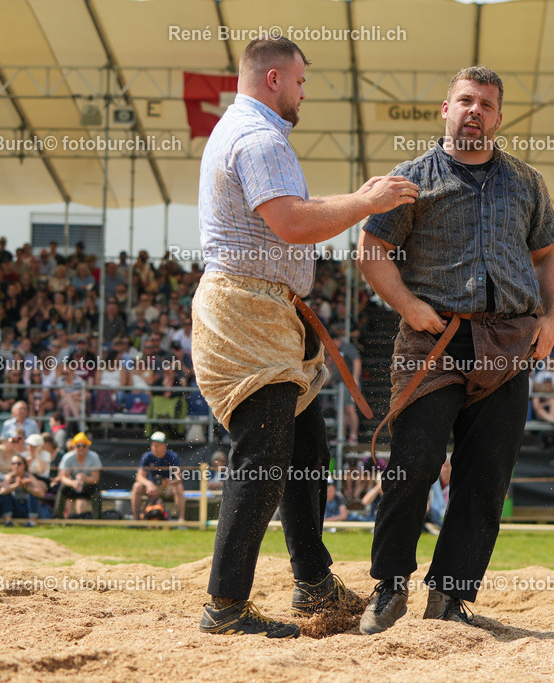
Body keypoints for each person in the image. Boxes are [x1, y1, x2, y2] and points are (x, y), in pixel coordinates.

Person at [192, 37, 415, 639]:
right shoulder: (261, 136)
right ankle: (226, 605)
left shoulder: (243, 129)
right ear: (272, 79)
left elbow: (294, 213)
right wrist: (367, 201)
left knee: (306, 451)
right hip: (247, 310)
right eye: (300, 82)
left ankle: (312, 579)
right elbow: (292, 222)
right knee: (262, 458)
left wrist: (352, 203)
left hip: (264, 310)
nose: (302, 93)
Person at [356, 65, 554, 634]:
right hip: (432, 336)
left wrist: (551, 319)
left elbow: (547, 257)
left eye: (487, 104)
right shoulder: (410, 178)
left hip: (509, 340)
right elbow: (372, 248)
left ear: (498, 117)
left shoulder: (526, 182)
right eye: (466, 100)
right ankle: (390, 585)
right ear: (445, 109)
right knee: (414, 462)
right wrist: (407, 308)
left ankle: (449, 597)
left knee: (486, 473)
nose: (476, 111)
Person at [131, 431, 185, 523]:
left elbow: (179, 478)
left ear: (164, 446)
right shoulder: (147, 456)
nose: (154, 448)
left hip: (168, 488)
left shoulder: (172, 456)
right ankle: (135, 519)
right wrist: (149, 484)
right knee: (137, 486)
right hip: (152, 488)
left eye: (157, 445)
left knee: (179, 488)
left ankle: (181, 520)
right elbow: (139, 476)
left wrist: (170, 482)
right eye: (153, 445)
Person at [54, 433, 102, 518]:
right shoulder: (68, 457)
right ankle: (58, 517)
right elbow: (63, 478)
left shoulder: (94, 457)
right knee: (62, 489)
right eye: (78, 445)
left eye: (84, 445)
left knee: (96, 490)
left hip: (87, 486)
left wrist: (85, 478)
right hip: (73, 486)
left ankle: (96, 518)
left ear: (88, 446)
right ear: (74, 446)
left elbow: (96, 479)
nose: (81, 448)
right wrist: (73, 483)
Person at [0, 454, 47, 526]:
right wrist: (17, 485)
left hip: (27, 508)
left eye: (19, 463)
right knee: (6, 494)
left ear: (24, 465)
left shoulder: (29, 476)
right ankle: (8, 521)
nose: (16, 466)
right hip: (14, 507)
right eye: (13, 464)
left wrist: (27, 488)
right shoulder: (9, 476)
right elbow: (2, 491)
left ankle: (32, 521)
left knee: (33, 493)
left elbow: (41, 493)